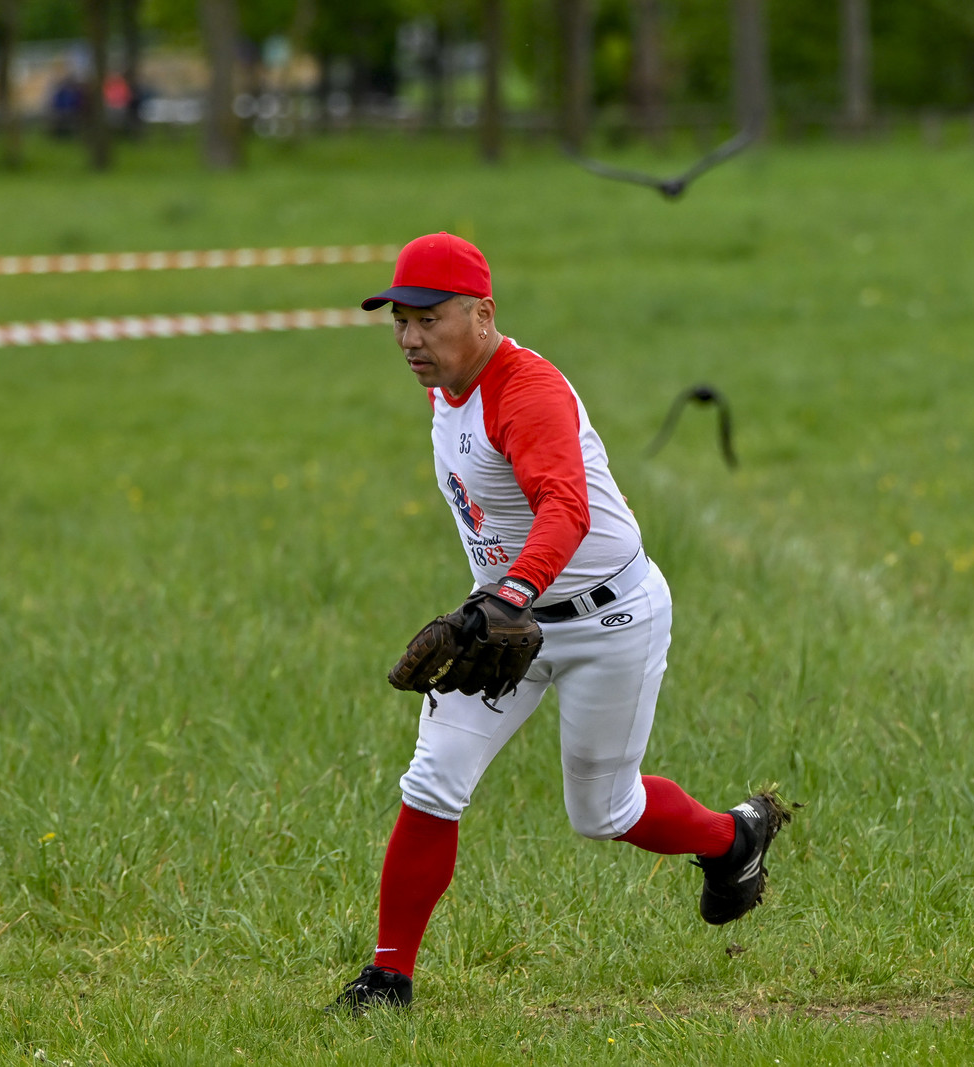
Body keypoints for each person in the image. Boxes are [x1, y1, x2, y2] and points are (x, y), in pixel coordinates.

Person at [327, 233, 792, 1015]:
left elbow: (565, 508)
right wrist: (501, 601)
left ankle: (733, 839)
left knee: (603, 812)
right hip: (505, 620)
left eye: (428, 318)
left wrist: (510, 595)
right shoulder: (446, 382)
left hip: (608, 619)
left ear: (483, 313)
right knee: (433, 781)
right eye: (398, 319)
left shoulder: (524, 389)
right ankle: (388, 978)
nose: (410, 337)